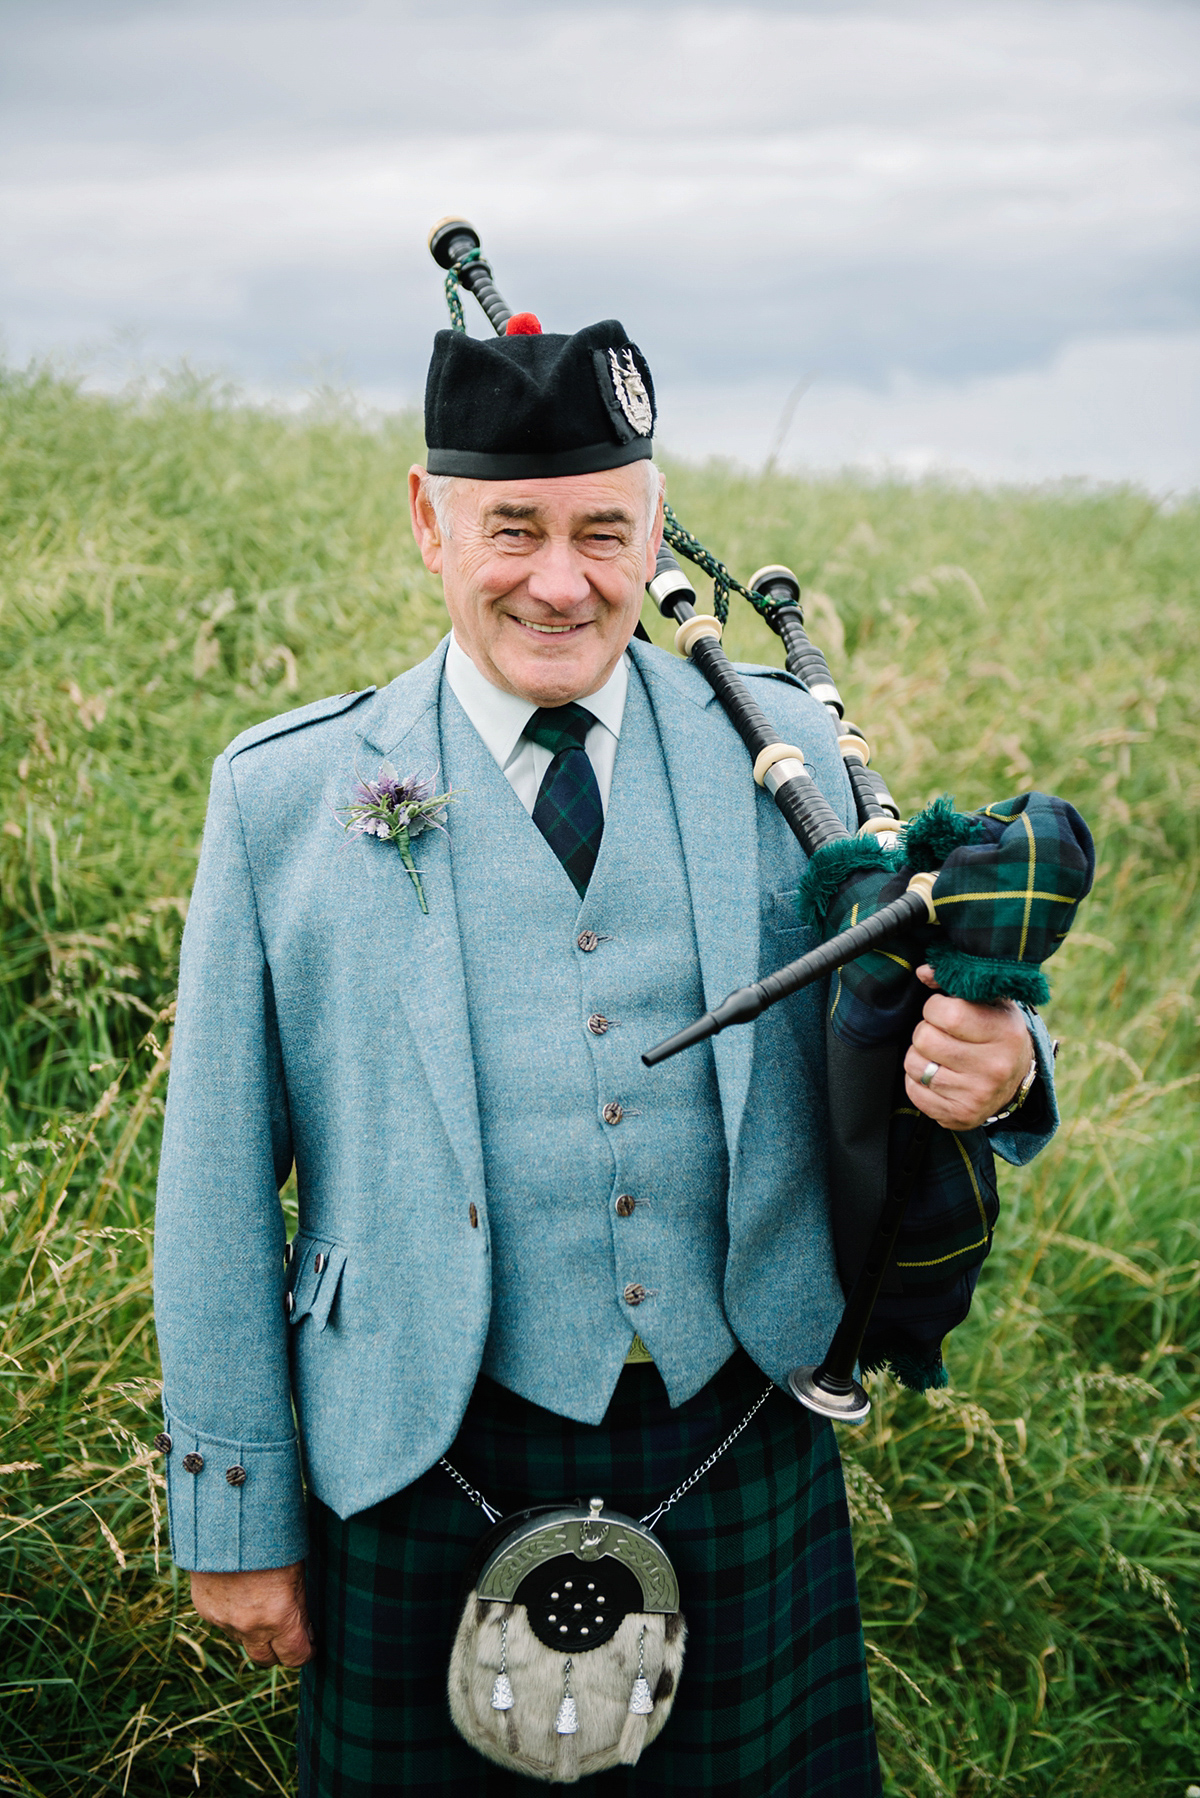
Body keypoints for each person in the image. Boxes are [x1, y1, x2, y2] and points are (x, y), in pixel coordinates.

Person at [153, 315, 1057, 1796]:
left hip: (736, 1426)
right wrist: (235, 1510)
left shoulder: (793, 758)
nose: (560, 582)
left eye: (603, 530)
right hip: (412, 1453)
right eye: (512, 527)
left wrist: (1003, 1053)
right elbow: (211, 1183)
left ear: (652, 525)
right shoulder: (285, 794)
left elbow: (953, 978)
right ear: (427, 518)